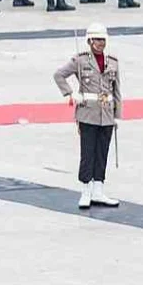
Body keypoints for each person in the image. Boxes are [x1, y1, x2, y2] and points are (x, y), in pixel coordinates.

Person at [53, 23, 122, 210]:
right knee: (88, 152)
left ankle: (99, 190)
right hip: (88, 113)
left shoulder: (113, 61)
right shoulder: (80, 61)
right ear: (89, 41)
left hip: (106, 113)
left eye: (103, 40)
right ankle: (86, 190)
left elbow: (117, 90)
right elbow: (59, 75)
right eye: (97, 40)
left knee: (102, 153)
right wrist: (70, 93)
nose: (100, 43)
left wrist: (117, 115)